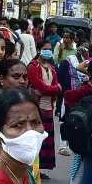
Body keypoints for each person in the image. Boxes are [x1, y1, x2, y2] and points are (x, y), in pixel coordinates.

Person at [28, 48, 62, 176]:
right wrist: (54, 88)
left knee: (46, 139)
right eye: (45, 49)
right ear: (39, 50)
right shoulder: (32, 67)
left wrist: (51, 89)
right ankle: (34, 168)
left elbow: (56, 88)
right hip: (38, 106)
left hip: (48, 106)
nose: (48, 51)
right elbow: (43, 87)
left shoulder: (51, 67)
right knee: (37, 137)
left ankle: (40, 169)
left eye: (49, 49)